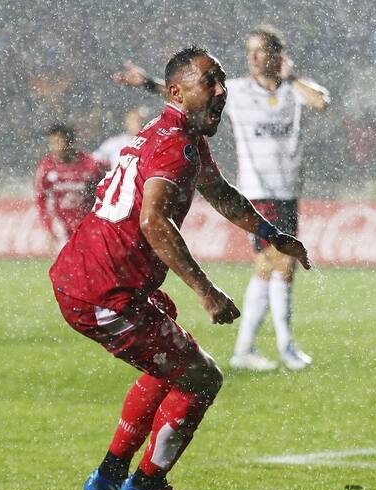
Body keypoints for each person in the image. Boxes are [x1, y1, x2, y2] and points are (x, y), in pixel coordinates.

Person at [50, 46, 310, 490]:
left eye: (222, 81)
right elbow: (153, 222)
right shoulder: (174, 144)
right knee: (201, 376)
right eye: (209, 82)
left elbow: (222, 195)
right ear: (177, 91)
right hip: (105, 293)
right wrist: (207, 292)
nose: (221, 91)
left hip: (95, 280)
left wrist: (272, 234)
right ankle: (148, 484)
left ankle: (110, 476)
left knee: (170, 362)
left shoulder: (175, 135)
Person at [113, 25, 329, 371]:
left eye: (261, 50)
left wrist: (292, 77)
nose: (253, 58)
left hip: (287, 191)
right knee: (281, 264)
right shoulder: (239, 92)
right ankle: (285, 346)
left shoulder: (291, 92)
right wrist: (145, 82)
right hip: (257, 191)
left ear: (276, 54)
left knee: (269, 269)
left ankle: (246, 347)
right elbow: (185, 93)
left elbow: (321, 100)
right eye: (250, 51)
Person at [34, 123, 107, 251]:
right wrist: (48, 227)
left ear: (70, 141)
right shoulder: (46, 167)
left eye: (59, 141)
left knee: (89, 264)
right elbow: (41, 199)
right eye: (53, 142)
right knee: (67, 264)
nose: (56, 147)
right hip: (61, 225)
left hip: (88, 223)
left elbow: (105, 192)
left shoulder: (90, 164)